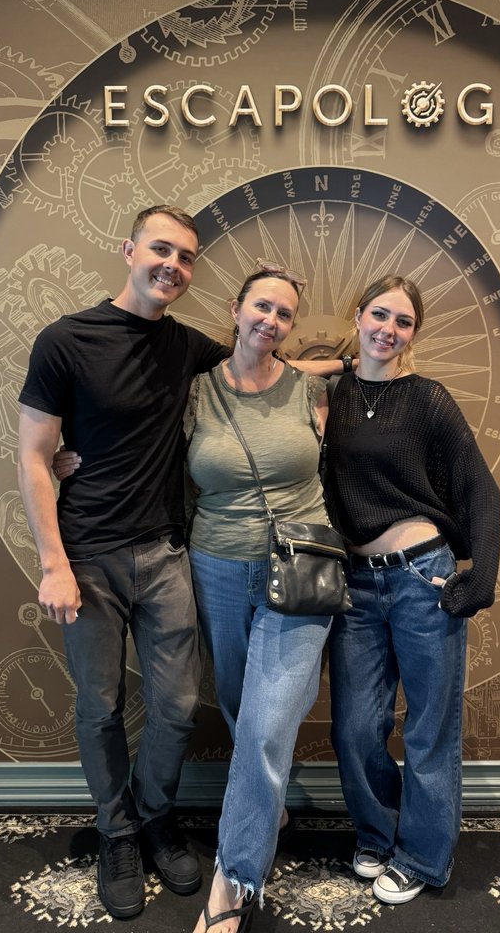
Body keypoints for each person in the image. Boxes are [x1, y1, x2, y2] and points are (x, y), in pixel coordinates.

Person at [17, 208, 341, 921]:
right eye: (161, 249)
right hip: (88, 555)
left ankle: (156, 817)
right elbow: (35, 458)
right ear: (129, 249)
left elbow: (266, 362)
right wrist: (52, 563)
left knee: (174, 707)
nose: (172, 264)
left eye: (186, 256)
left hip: (168, 551)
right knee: (99, 705)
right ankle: (117, 834)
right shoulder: (65, 340)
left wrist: (352, 366)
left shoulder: (186, 347)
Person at [323, 275, 500, 906]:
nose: (388, 330)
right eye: (380, 314)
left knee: (429, 727)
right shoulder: (328, 394)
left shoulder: (427, 397)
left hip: (422, 577)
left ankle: (423, 856)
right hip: (353, 585)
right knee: (355, 728)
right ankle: (378, 833)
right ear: (358, 315)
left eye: (403, 322)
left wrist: (482, 573)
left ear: (413, 333)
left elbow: (479, 486)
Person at [184, 266, 332, 933]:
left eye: (284, 313)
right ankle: (266, 809)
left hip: (302, 566)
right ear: (236, 309)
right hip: (216, 564)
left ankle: (233, 881)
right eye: (261, 307)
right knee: (243, 709)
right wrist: (69, 459)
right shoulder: (195, 391)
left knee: (268, 723)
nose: (270, 320)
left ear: (291, 326)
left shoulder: (311, 389)